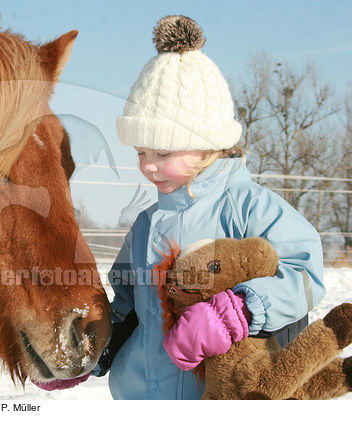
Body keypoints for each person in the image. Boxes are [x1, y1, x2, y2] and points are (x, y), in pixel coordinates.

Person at [95, 15, 325, 400]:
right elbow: (124, 301)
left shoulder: (248, 206)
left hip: (216, 397)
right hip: (139, 396)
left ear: (206, 145)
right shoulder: (146, 223)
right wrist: (90, 349)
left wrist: (239, 311)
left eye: (163, 152)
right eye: (140, 152)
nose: (148, 165)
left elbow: (305, 274)